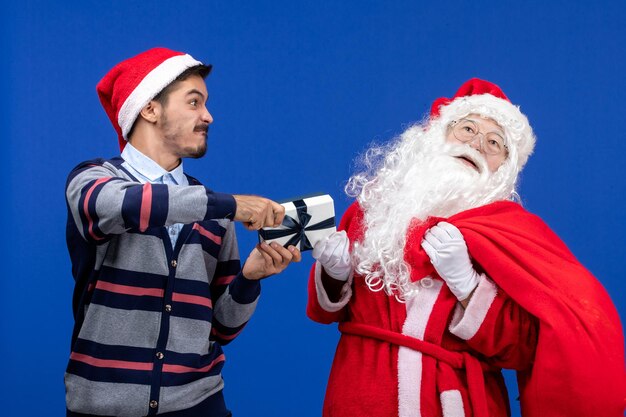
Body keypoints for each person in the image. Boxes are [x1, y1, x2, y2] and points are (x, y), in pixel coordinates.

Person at [307, 78, 625, 417]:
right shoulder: (375, 210)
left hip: (456, 402)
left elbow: (521, 350)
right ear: (437, 136)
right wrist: (332, 275)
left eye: (493, 142)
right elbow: (329, 313)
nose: (476, 144)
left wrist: (468, 286)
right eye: (467, 129)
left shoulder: (512, 233)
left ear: (504, 167)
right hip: (361, 393)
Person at [64, 47, 301, 417]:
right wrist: (232, 205)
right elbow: (118, 207)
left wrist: (249, 279)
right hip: (104, 407)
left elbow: (221, 329)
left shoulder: (215, 214)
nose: (208, 116)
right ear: (149, 109)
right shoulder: (93, 180)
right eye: (194, 102)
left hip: (201, 404)